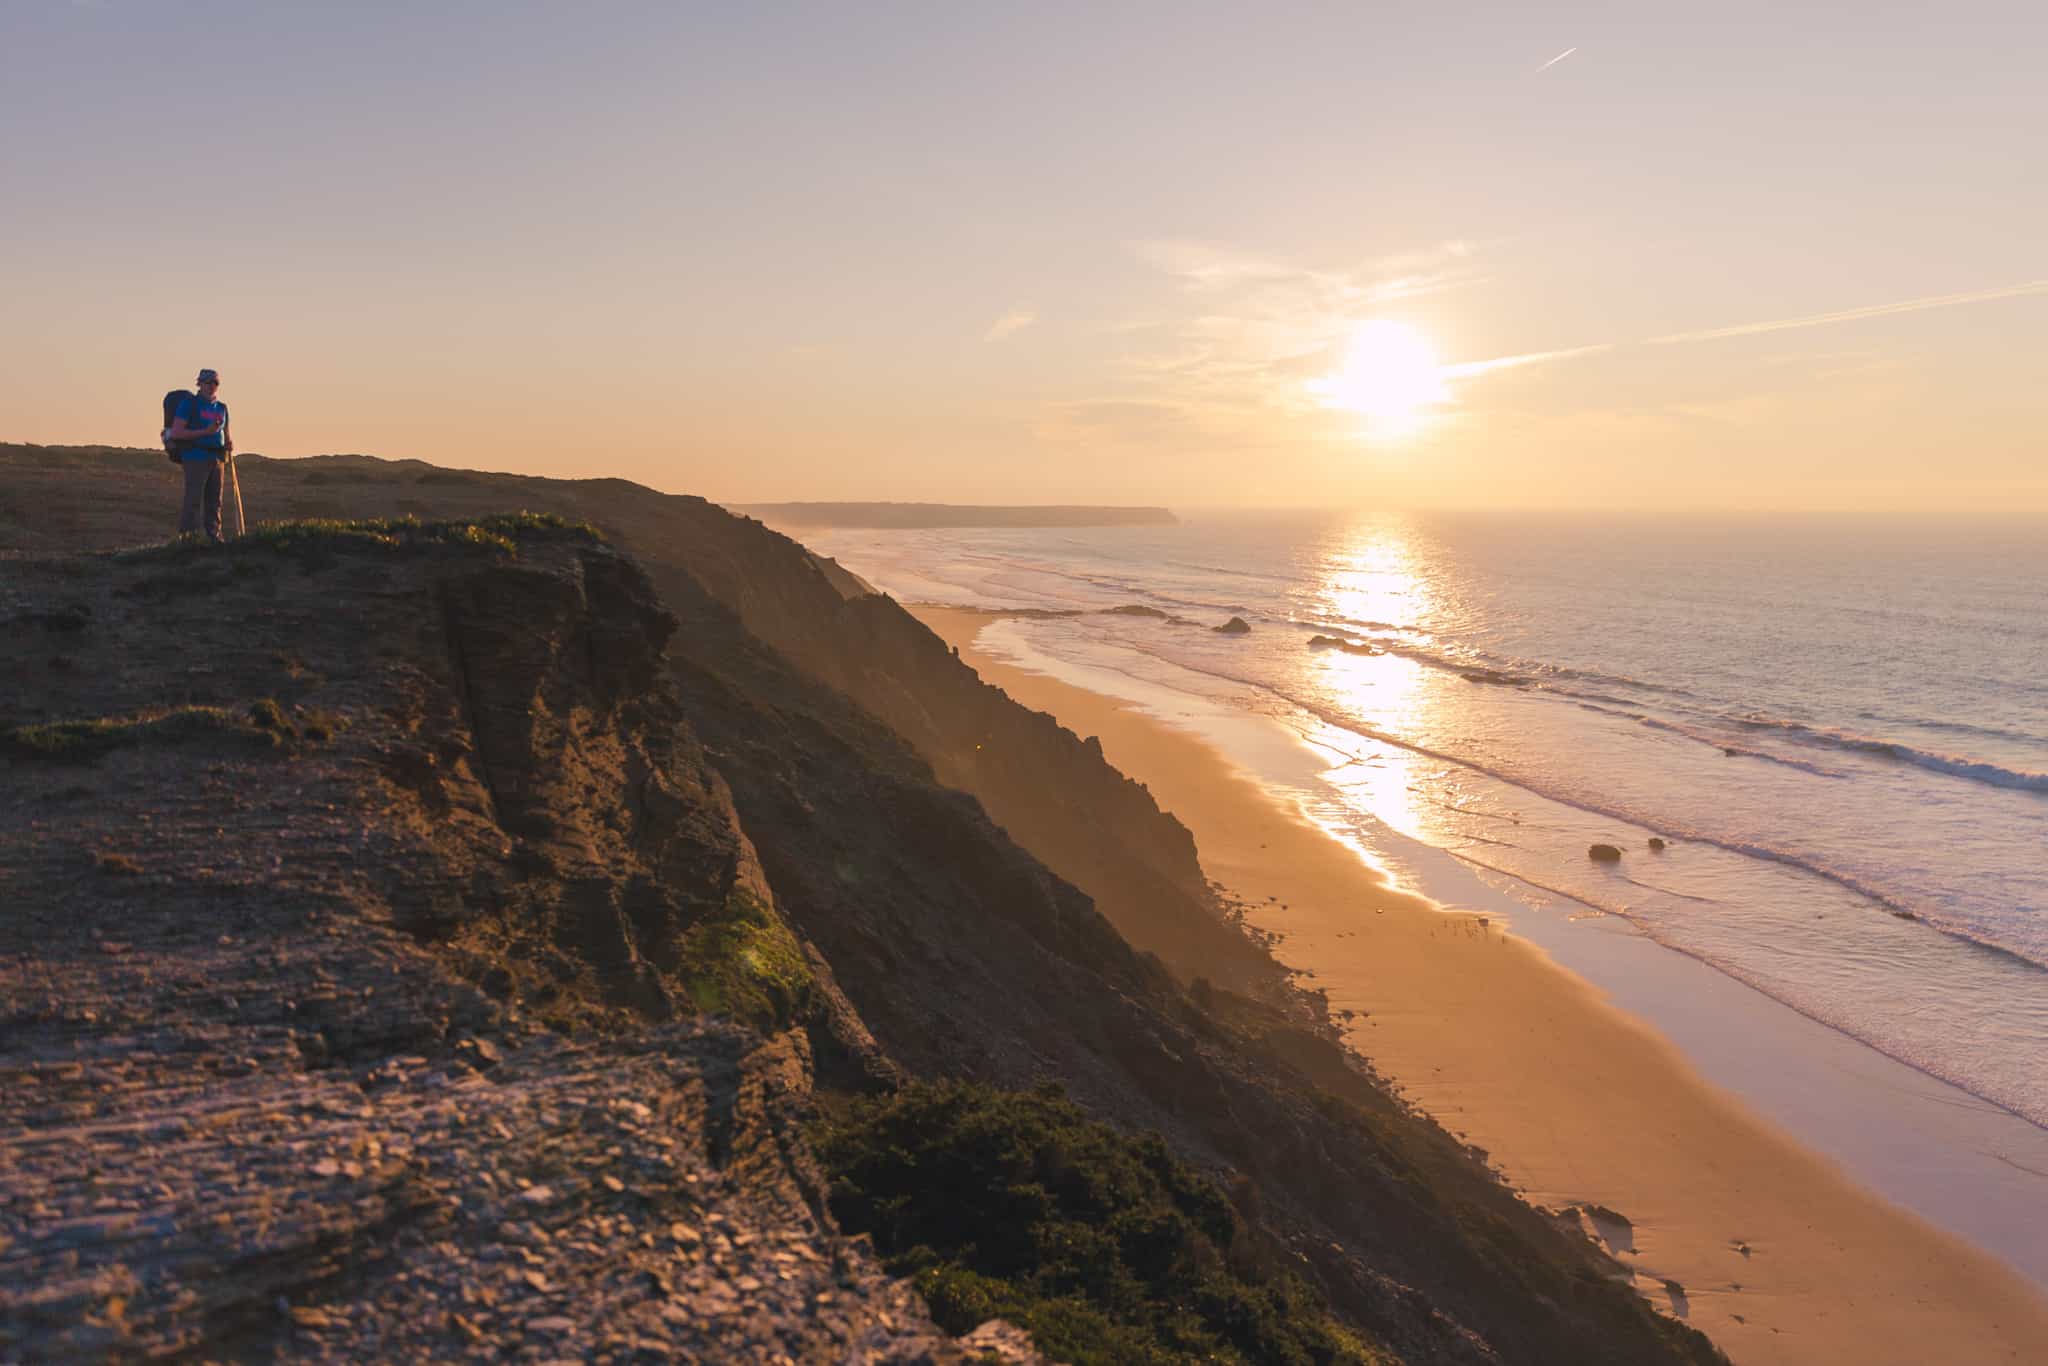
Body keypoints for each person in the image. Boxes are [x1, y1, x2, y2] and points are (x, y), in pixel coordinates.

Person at [166, 369, 232, 541]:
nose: (211, 386)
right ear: (199, 384)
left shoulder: (222, 408)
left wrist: (229, 443)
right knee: (193, 500)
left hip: (217, 459)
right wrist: (205, 432)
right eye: (208, 382)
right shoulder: (189, 404)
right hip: (195, 457)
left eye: (215, 383)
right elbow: (177, 432)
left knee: (215, 501)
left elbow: (226, 433)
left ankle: (214, 536)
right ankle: (189, 538)